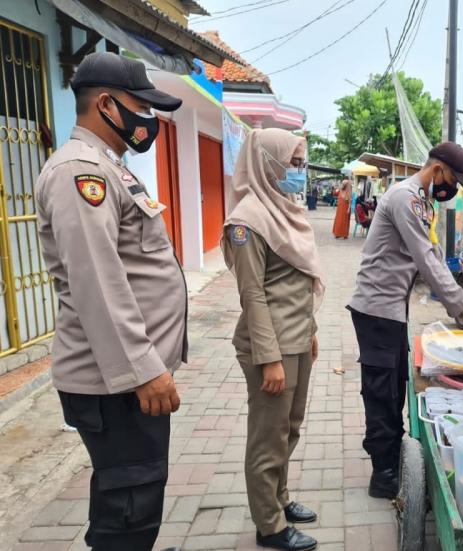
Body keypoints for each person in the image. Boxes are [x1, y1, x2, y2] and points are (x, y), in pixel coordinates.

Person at [35, 52, 186, 550]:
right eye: (141, 106)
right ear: (105, 103)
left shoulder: (107, 166)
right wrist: (144, 369)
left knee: (134, 503)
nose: (149, 119)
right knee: (128, 513)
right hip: (116, 383)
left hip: (120, 379)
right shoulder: (81, 173)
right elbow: (97, 282)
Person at [348, 142, 463, 499]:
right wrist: (462, 305)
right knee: (382, 391)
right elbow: (426, 260)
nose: (453, 190)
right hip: (377, 310)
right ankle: (383, 475)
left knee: (396, 385)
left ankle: (393, 460)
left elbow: (433, 256)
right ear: (438, 170)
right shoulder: (405, 198)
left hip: (392, 309)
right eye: (453, 181)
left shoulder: (420, 201)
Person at [222, 128, 323, 551]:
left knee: (289, 429)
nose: (300, 172)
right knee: (268, 437)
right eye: (294, 164)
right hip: (272, 348)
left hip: (296, 339)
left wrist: (311, 332)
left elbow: (296, 282)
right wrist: (269, 359)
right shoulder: (247, 221)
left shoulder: (283, 210)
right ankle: (270, 527)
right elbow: (253, 295)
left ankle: (279, 499)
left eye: (302, 164)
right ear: (269, 164)